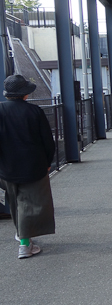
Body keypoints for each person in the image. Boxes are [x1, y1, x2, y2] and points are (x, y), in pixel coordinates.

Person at [0, 75, 56, 259]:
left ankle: (22, 234)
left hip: (7, 167)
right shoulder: (34, 111)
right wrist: (48, 162)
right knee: (29, 203)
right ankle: (24, 244)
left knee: (15, 201)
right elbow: (47, 141)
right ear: (25, 94)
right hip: (33, 165)